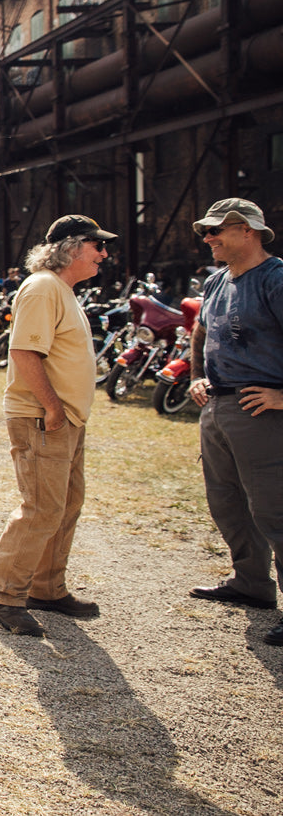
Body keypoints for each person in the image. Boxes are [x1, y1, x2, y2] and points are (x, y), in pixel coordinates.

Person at [0, 214, 113, 636]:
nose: (104, 254)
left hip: (63, 418)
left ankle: (46, 587)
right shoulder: (43, 288)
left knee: (66, 504)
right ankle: (4, 597)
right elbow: (24, 353)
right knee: (42, 507)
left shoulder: (63, 290)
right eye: (98, 246)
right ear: (73, 248)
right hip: (44, 418)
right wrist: (53, 409)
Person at [185, 198, 283, 645]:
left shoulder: (276, 280)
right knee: (227, 502)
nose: (207, 239)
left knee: (275, 511)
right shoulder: (218, 280)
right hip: (218, 407)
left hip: (261, 413)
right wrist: (197, 377)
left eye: (215, 231)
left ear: (248, 231)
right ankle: (252, 584)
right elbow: (200, 332)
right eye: (205, 232)